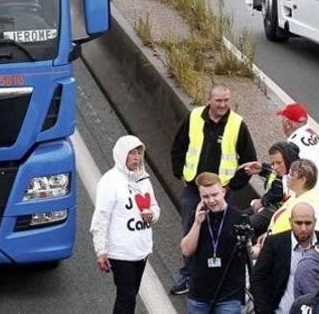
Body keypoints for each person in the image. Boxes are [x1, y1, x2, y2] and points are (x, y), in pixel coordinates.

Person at [170, 85, 259, 296]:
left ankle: (221, 276)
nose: (223, 105)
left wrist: (232, 186)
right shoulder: (194, 118)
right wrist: (180, 174)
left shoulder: (237, 124)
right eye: (218, 101)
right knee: (191, 229)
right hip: (193, 189)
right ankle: (188, 275)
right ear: (209, 99)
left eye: (226, 101)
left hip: (223, 193)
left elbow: (249, 163)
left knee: (224, 233)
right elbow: (179, 146)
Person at [91, 135, 161, 314]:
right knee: (126, 295)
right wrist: (101, 251)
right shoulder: (110, 181)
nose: (136, 157)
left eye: (139, 153)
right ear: (122, 154)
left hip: (141, 249)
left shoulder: (143, 180)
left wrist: (152, 215)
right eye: (131, 153)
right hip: (121, 252)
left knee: (131, 294)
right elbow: (101, 217)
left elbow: (155, 207)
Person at [180, 172, 247, 313]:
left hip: (229, 295)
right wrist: (197, 223)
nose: (211, 200)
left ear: (223, 191)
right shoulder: (197, 215)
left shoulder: (239, 218)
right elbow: (186, 250)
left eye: (214, 195)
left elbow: (249, 251)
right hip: (199, 293)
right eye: (205, 196)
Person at [251, 202, 318, 314]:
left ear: (315, 222)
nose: (303, 228)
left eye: (308, 223)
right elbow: (257, 277)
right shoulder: (275, 243)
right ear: (290, 222)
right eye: (298, 223)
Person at [244, 141, 301, 235]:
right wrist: (263, 169)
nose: (275, 167)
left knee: (245, 226)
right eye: (273, 163)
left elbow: (278, 191)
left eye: (279, 163)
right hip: (270, 207)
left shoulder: (294, 177)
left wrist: (262, 202)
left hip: (278, 214)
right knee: (237, 219)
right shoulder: (279, 170)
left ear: (289, 160)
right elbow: (273, 173)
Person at [278, 103, 319, 192]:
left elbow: (286, 176)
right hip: (317, 191)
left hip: (300, 194)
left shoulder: (292, 146)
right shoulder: (313, 137)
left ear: (288, 123)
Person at [268, 159, 319, 235]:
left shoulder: (310, 208)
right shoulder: (299, 195)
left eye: (292, 175)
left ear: (302, 180)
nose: (287, 176)